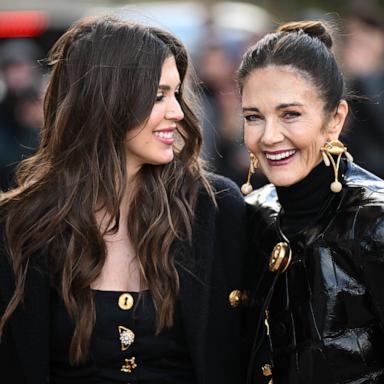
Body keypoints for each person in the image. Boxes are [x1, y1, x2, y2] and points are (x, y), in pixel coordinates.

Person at [0, 15, 248, 384]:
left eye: (176, 93)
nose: (178, 112)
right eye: (158, 95)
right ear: (108, 98)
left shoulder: (212, 209)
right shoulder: (21, 224)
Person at [237, 20, 384, 384]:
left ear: (334, 119)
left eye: (291, 114)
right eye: (254, 117)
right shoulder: (249, 214)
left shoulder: (375, 220)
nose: (269, 137)